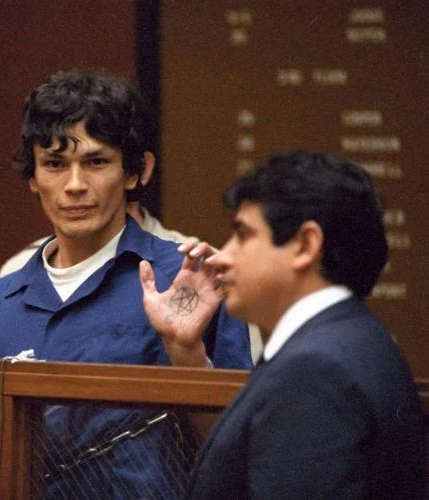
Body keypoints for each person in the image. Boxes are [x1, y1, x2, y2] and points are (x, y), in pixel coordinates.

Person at [0, 69, 252, 498]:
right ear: (33, 177)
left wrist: (187, 357)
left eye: (96, 162)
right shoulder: (0, 304)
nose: (75, 186)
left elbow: (238, 455)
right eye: (54, 164)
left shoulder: (190, 280)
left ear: (136, 171)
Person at [142, 150, 426, 498]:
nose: (225, 255)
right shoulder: (354, 337)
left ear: (305, 245)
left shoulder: (315, 371)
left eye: (243, 236)